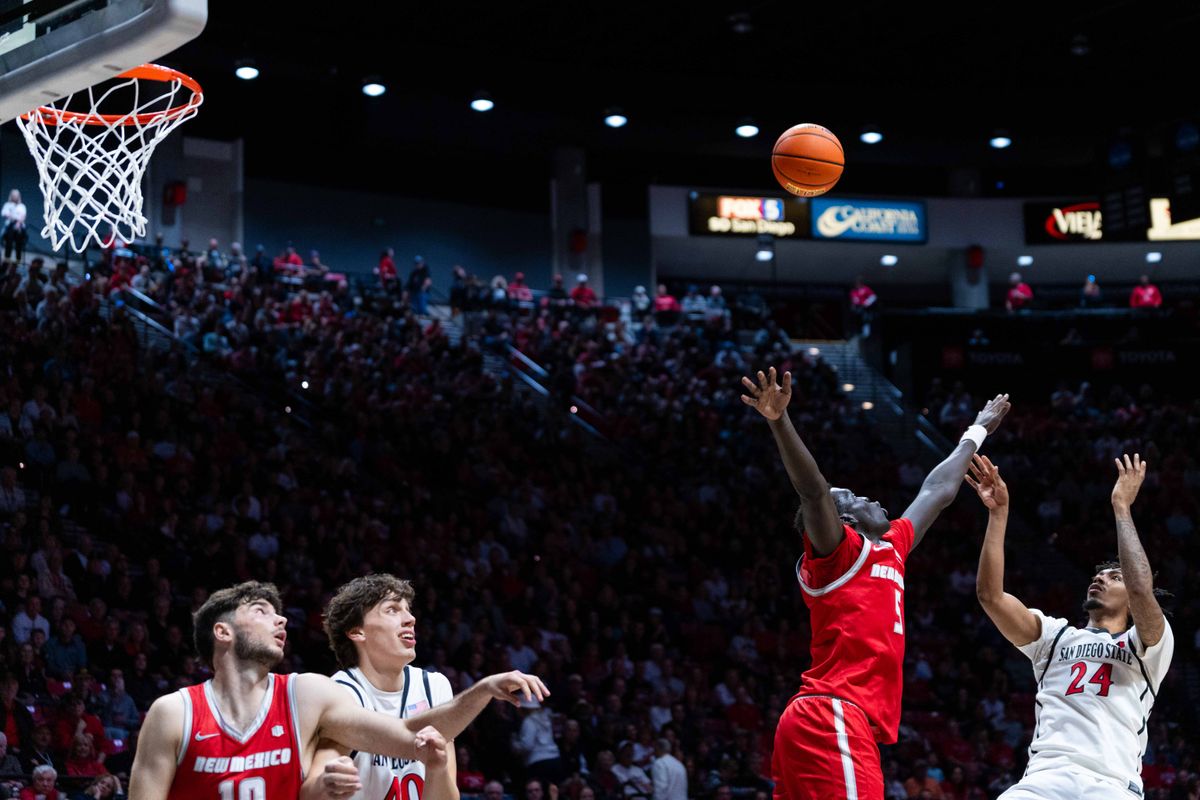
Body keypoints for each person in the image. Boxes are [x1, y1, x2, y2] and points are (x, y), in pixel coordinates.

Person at [741, 367, 1010, 800]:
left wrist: (977, 429)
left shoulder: (892, 546)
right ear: (843, 520)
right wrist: (779, 420)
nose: (869, 498)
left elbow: (938, 489)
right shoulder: (837, 553)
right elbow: (813, 492)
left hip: (833, 722)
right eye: (853, 498)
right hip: (832, 717)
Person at [127, 581, 548, 800]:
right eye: (261, 612)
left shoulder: (306, 695)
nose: (281, 621)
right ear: (222, 632)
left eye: (280, 615)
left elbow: (404, 736)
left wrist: (482, 691)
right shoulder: (173, 713)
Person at [965, 453, 1173, 800]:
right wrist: (998, 514)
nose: (1099, 578)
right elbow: (990, 596)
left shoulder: (1149, 646)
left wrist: (1122, 506)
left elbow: (1141, 588)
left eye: (1114, 576)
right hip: (1045, 779)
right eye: (1098, 574)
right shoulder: (1053, 636)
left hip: (1112, 784)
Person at [302, 574, 459, 800]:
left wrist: (437, 769)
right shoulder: (342, 693)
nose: (410, 618)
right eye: (392, 610)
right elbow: (310, 793)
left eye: (408, 609)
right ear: (358, 632)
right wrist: (327, 784)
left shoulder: (434, 687)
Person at [2, 189, 28, 263]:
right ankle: (7, 259)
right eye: (14, 196)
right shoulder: (7, 205)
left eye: (16, 196)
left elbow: (23, 217)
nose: (15, 197)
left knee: (18, 243)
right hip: (9, 226)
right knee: (8, 241)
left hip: (19, 227)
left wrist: (18, 222)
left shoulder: (22, 206)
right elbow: (4, 213)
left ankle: (18, 260)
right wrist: (11, 216)